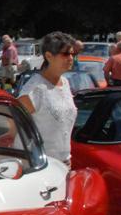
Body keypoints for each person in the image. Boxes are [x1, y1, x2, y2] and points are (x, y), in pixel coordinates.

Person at [18, 32, 78, 165]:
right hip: (41, 166)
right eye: (65, 54)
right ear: (49, 56)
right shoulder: (35, 89)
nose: (70, 58)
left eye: (72, 54)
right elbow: (15, 126)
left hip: (64, 163)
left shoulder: (65, 83)